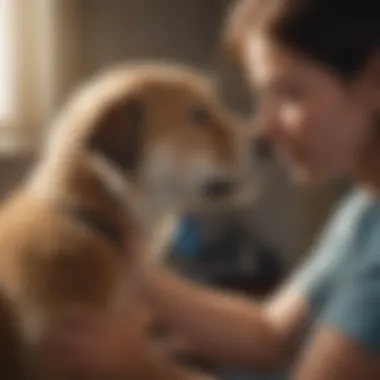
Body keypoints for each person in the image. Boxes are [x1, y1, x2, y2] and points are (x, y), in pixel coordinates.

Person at [46, 0, 380, 378]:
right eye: (262, 95)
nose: (263, 127)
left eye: (291, 94)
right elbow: (271, 334)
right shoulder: (366, 210)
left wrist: (137, 366)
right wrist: (137, 270)